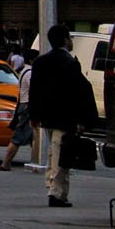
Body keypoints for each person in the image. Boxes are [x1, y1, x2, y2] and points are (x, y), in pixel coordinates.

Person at [30, 25, 99, 208]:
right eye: (70, 37)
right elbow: (78, 93)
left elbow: (34, 91)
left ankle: (52, 187)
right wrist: (81, 120)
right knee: (61, 156)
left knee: (53, 153)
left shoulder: (40, 62)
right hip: (65, 117)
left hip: (47, 117)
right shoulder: (70, 63)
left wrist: (34, 115)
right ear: (65, 40)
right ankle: (56, 193)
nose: (71, 41)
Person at [0, 49, 37, 171]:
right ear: (32, 60)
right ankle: (5, 163)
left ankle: (35, 160)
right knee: (18, 137)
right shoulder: (30, 73)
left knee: (34, 138)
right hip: (28, 107)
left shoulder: (24, 71)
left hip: (25, 105)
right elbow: (35, 90)